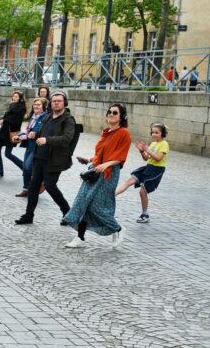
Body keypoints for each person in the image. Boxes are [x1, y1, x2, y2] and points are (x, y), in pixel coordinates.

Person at [63, 103, 131, 248]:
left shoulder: (124, 133)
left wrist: (106, 164)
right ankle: (80, 238)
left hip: (109, 174)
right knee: (83, 202)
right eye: (109, 112)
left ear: (121, 117)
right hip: (95, 171)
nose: (111, 114)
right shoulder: (106, 132)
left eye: (115, 112)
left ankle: (117, 228)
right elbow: (100, 155)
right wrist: (88, 159)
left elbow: (120, 156)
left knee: (96, 206)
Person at [15, 92, 76, 225]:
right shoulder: (48, 117)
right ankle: (28, 215)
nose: (56, 103)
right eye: (54, 101)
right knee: (33, 187)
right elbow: (41, 132)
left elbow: (66, 138)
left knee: (50, 186)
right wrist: (34, 133)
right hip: (39, 157)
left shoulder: (68, 119)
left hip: (54, 159)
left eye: (59, 101)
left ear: (64, 103)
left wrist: (47, 140)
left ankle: (68, 213)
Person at [116, 122, 168, 223]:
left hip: (157, 170)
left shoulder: (164, 144)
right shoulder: (153, 144)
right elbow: (146, 158)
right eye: (153, 132)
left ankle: (145, 214)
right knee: (129, 180)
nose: (154, 134)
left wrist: (147, 149)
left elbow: (158, 158)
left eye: (157, 132)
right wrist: (141, 151)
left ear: (162, 133)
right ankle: (111, 196)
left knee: (142, 191)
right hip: (148, 167)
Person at [12, 98, 49, 197]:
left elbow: (35, 131)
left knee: (28, 166)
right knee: (25, 167)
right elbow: (27, 130)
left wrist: (31, 134)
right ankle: (26, 189)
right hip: (29, 144)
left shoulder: (45, 117)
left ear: (44, 107)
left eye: (38, 105)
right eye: (35, 104)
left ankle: (41, 182)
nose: (36, 106)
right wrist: (19, 136)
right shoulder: (34, 116)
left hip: (37, 146)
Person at [0, 91, 26, 178]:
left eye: (16, 97)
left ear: (20, 99)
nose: (14, 98)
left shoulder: (22, 109)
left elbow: (16, 122)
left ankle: (24, 167)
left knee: (8, 154)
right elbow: (5, 117)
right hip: (3, 131)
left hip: (12, 132)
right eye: (13, 96)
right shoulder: (11, 106)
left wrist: (4, 121)